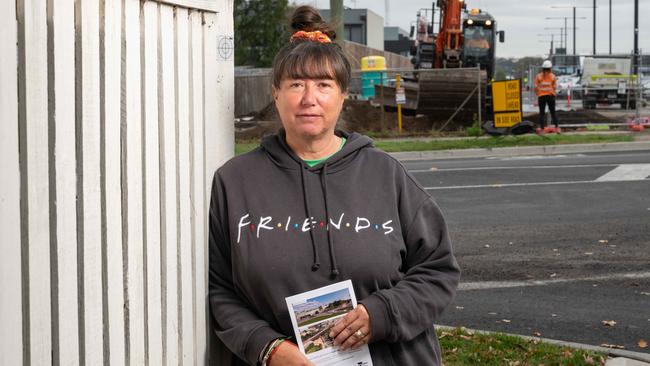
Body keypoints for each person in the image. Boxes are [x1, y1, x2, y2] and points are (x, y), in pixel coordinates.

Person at [209, 6, 460, 366]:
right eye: (296, 84)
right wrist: (268, 349)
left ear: (342, 95)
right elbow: (220, 291)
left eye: (323, 85)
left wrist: (383, 313)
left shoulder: (386, 175)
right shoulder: (234, 183)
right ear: (276, 93)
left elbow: (438, 270)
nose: (309, 98)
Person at [534, 60, 560, 133]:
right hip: (550, 96)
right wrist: (553, 93)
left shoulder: (538, 76)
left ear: (543, 68)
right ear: (550, 68)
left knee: (542, 113)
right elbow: (554, 87)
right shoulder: (553, 76)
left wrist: (538, 93)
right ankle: (557, 128)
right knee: (553, 112)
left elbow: (535, 87)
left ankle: (542, 129)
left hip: (541, 96)